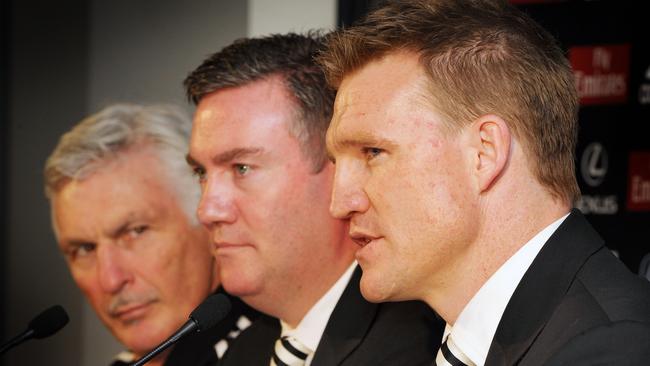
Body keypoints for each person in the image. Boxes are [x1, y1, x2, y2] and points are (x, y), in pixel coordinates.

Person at [319, 1, 650, 365]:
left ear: (484, 153)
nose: (340, 203)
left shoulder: (613, 350)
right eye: (336, 162)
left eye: (373, 152)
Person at [184, 32, 442, 366]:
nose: (207, 210)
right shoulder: (244, 352)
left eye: (242, 168)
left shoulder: (419, 345)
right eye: (201, 174)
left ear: (337, 169)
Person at [44, 104, 256, 366]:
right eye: (84, 249)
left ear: (207, 222)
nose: (110, 280)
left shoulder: (280, 351)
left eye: (135, 232)